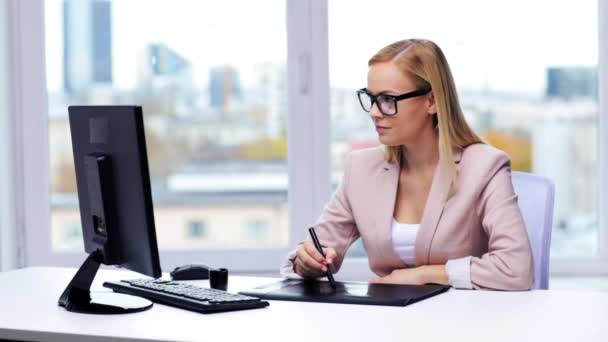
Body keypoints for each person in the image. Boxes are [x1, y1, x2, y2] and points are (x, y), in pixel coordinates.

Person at [280, 39, 534, 290]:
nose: (375, 112)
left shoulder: (485, 166)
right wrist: (308, 262)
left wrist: (425, 274)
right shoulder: (362, 169)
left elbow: (516, 269)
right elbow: (310, 256)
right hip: (389, 320)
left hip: (463, 321)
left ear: (432, 101)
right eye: (371, 98)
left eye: (389, 100)